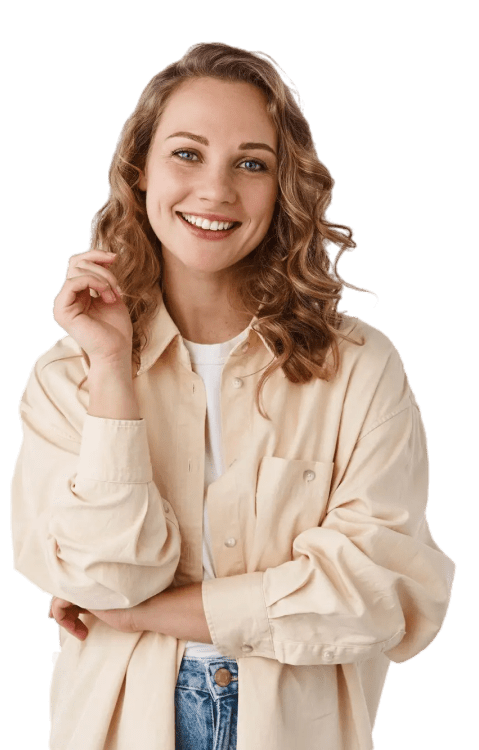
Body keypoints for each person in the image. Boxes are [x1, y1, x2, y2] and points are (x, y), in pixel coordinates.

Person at [10, 41, 456, 750]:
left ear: (284, 188)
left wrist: (145, 614)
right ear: (139, 171)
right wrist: (112, 370)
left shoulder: (360, 367)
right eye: (187, 153)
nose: (216, 190)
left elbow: (382, 596)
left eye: (251, 163)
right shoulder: (67, 377)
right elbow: (110, 574)